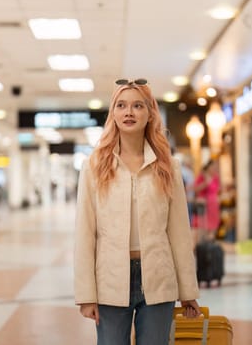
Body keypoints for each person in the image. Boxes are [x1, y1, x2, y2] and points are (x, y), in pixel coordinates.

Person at [74, 78, 201, 344]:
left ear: (150, 113)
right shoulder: (94, 165)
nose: (129, 112)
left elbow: (178, 231)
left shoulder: (168, 166)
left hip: (158, 277)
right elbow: (85, 234)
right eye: (121, 105)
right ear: (113, 113)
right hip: (110, 279)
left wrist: (188, 289)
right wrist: (86, 294)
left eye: (137, 106)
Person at [192, 160, 221, 241]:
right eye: (213, 167)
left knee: (214, 225)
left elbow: (218, 189)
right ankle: (202, 245)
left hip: (214, 204)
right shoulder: (202, 176)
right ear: (208, 167)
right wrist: (205, 183)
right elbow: (196, 189)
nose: (214, 169)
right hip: (204, 204)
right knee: (202, 226)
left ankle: (210, 244)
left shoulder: (216, 177)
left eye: (216, 167)